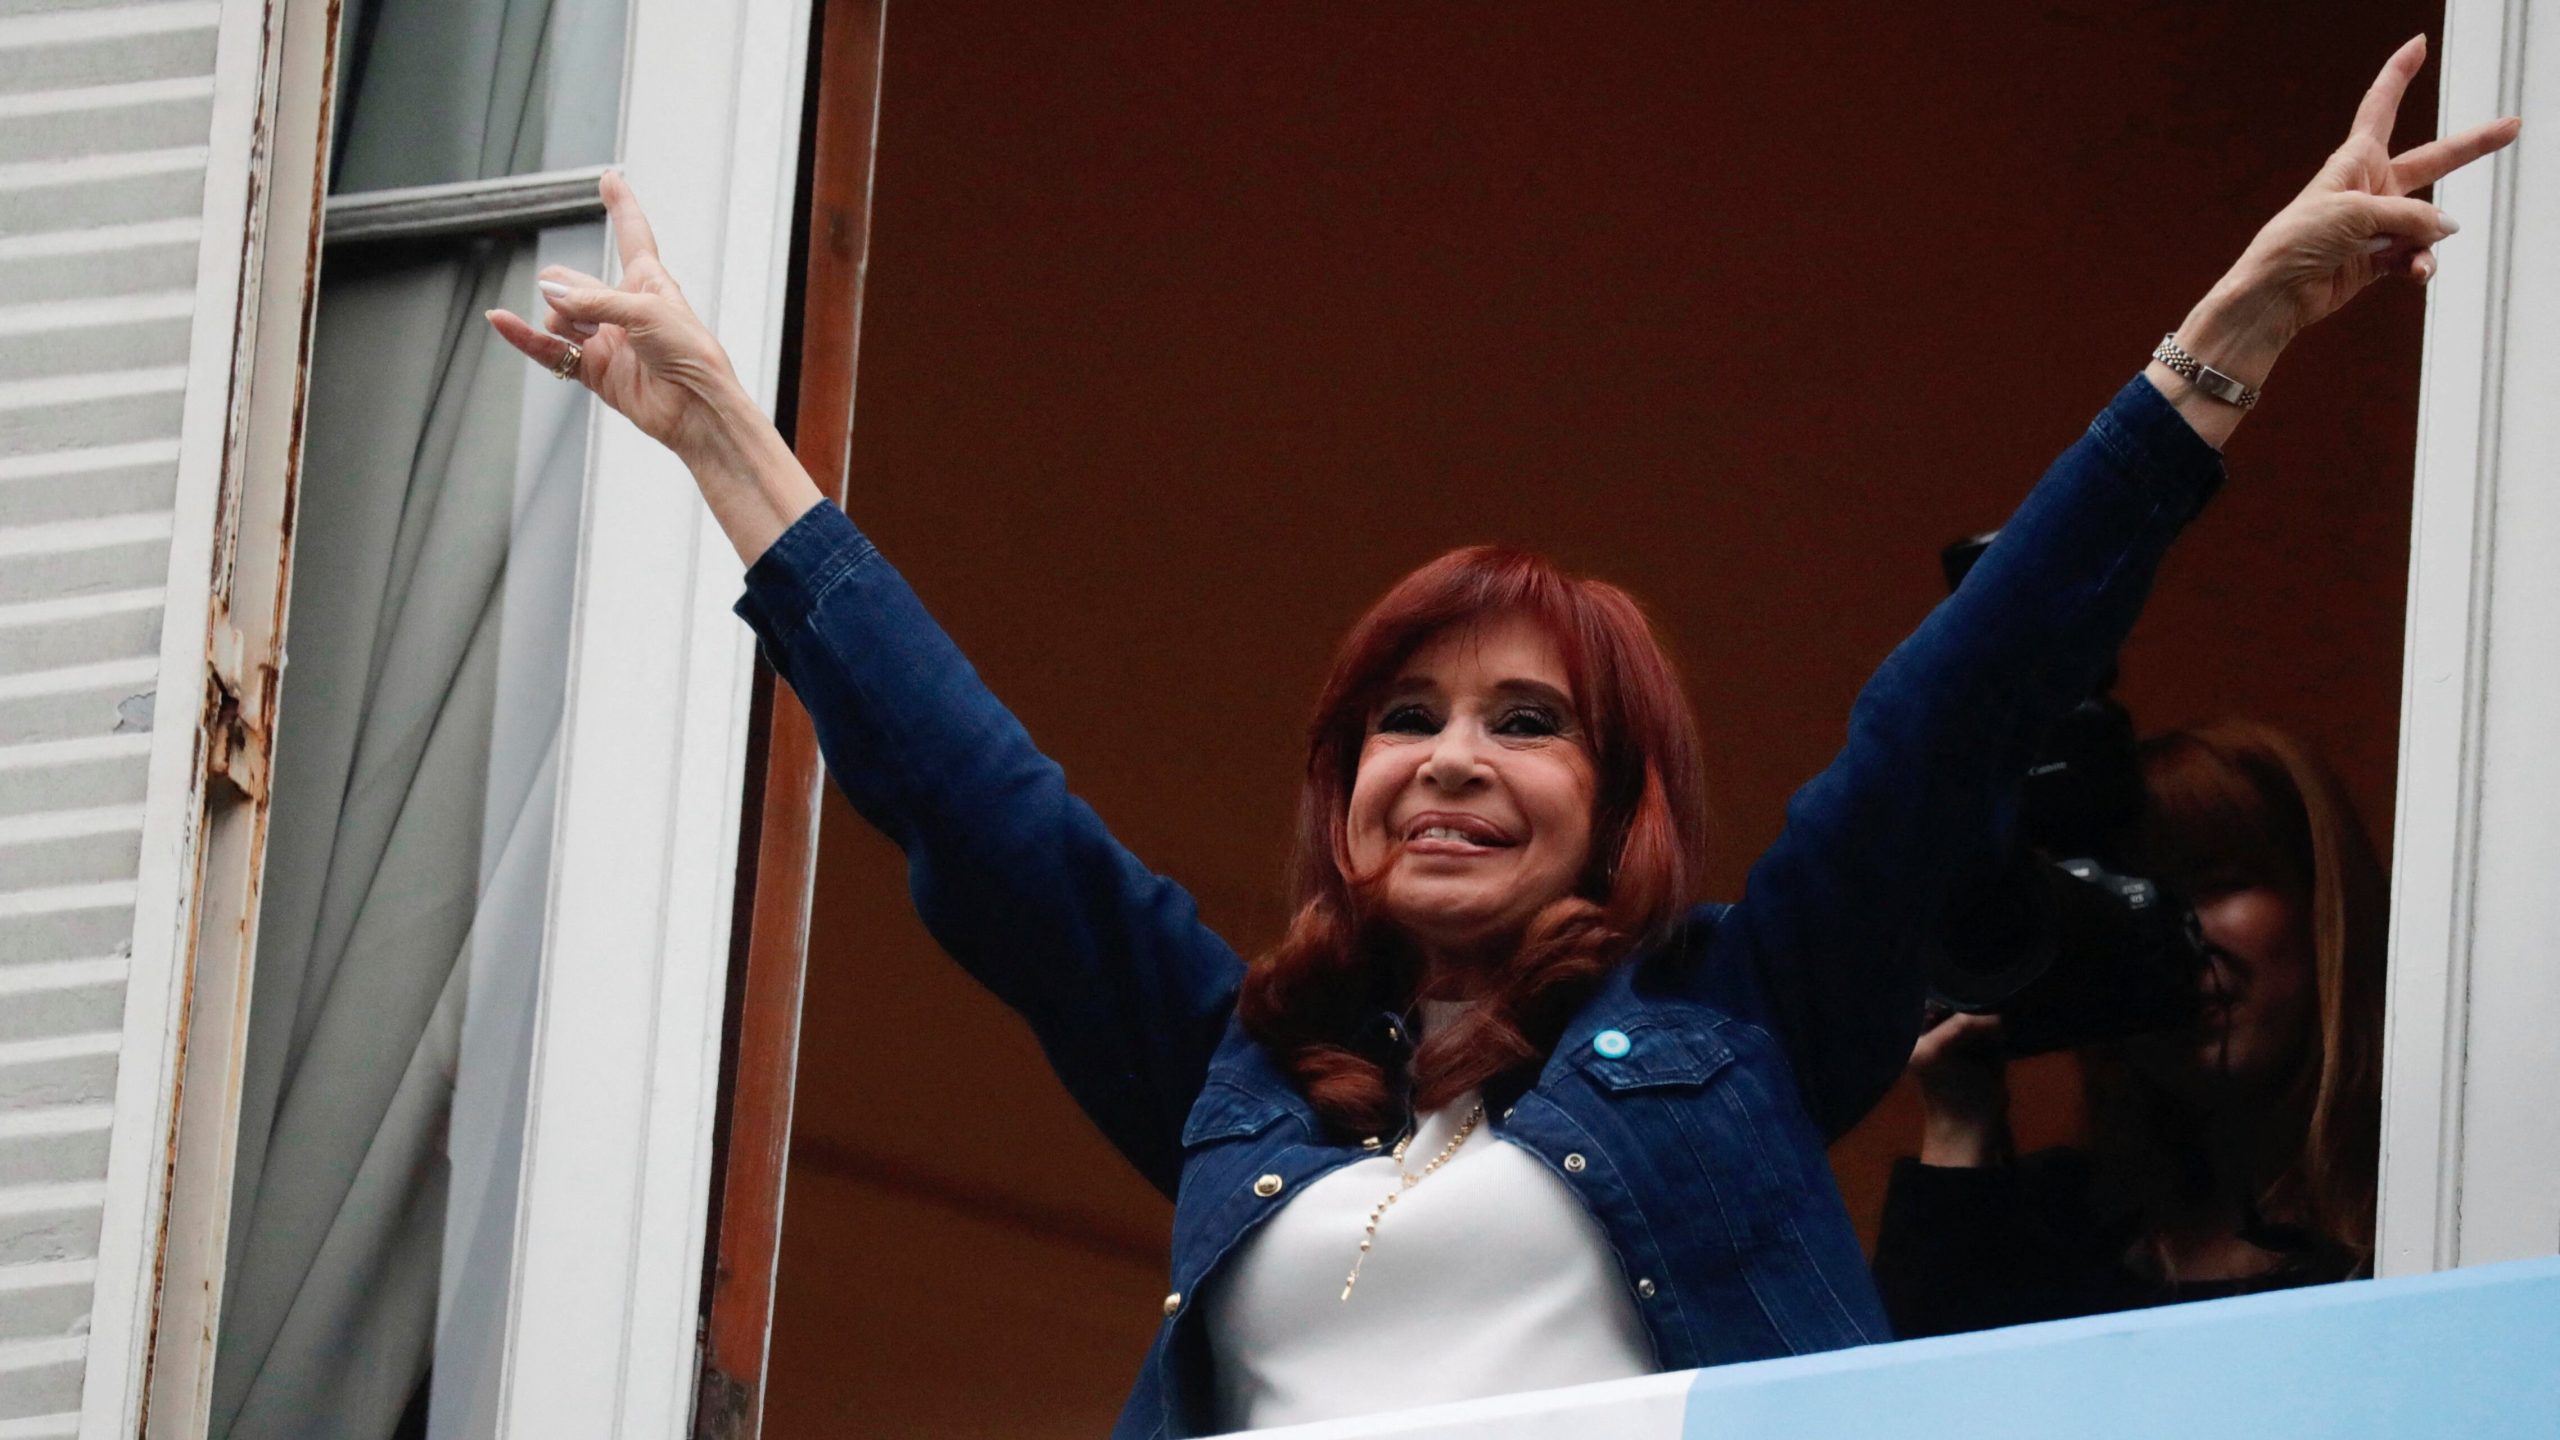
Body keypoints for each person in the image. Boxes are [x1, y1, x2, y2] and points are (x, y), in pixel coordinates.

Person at [485, 37, 2511, 1438]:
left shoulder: (1742, 1023)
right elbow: (978, 806)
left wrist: (2229, 340)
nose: (1449, 757)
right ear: (1345, 794)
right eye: (1405, 719)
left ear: (1618, 814)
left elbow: (1958, 705)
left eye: (1526, 724)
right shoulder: (1231, 1075)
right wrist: (726, 442)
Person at [1873, 720, 2390, 1337]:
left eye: (2218, 886)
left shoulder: (2437, 1195)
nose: (2176, 938)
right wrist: (1959, 1120)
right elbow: (1913, 1387)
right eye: (2135, 901)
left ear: (2320, 906)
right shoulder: (2055, 1230)